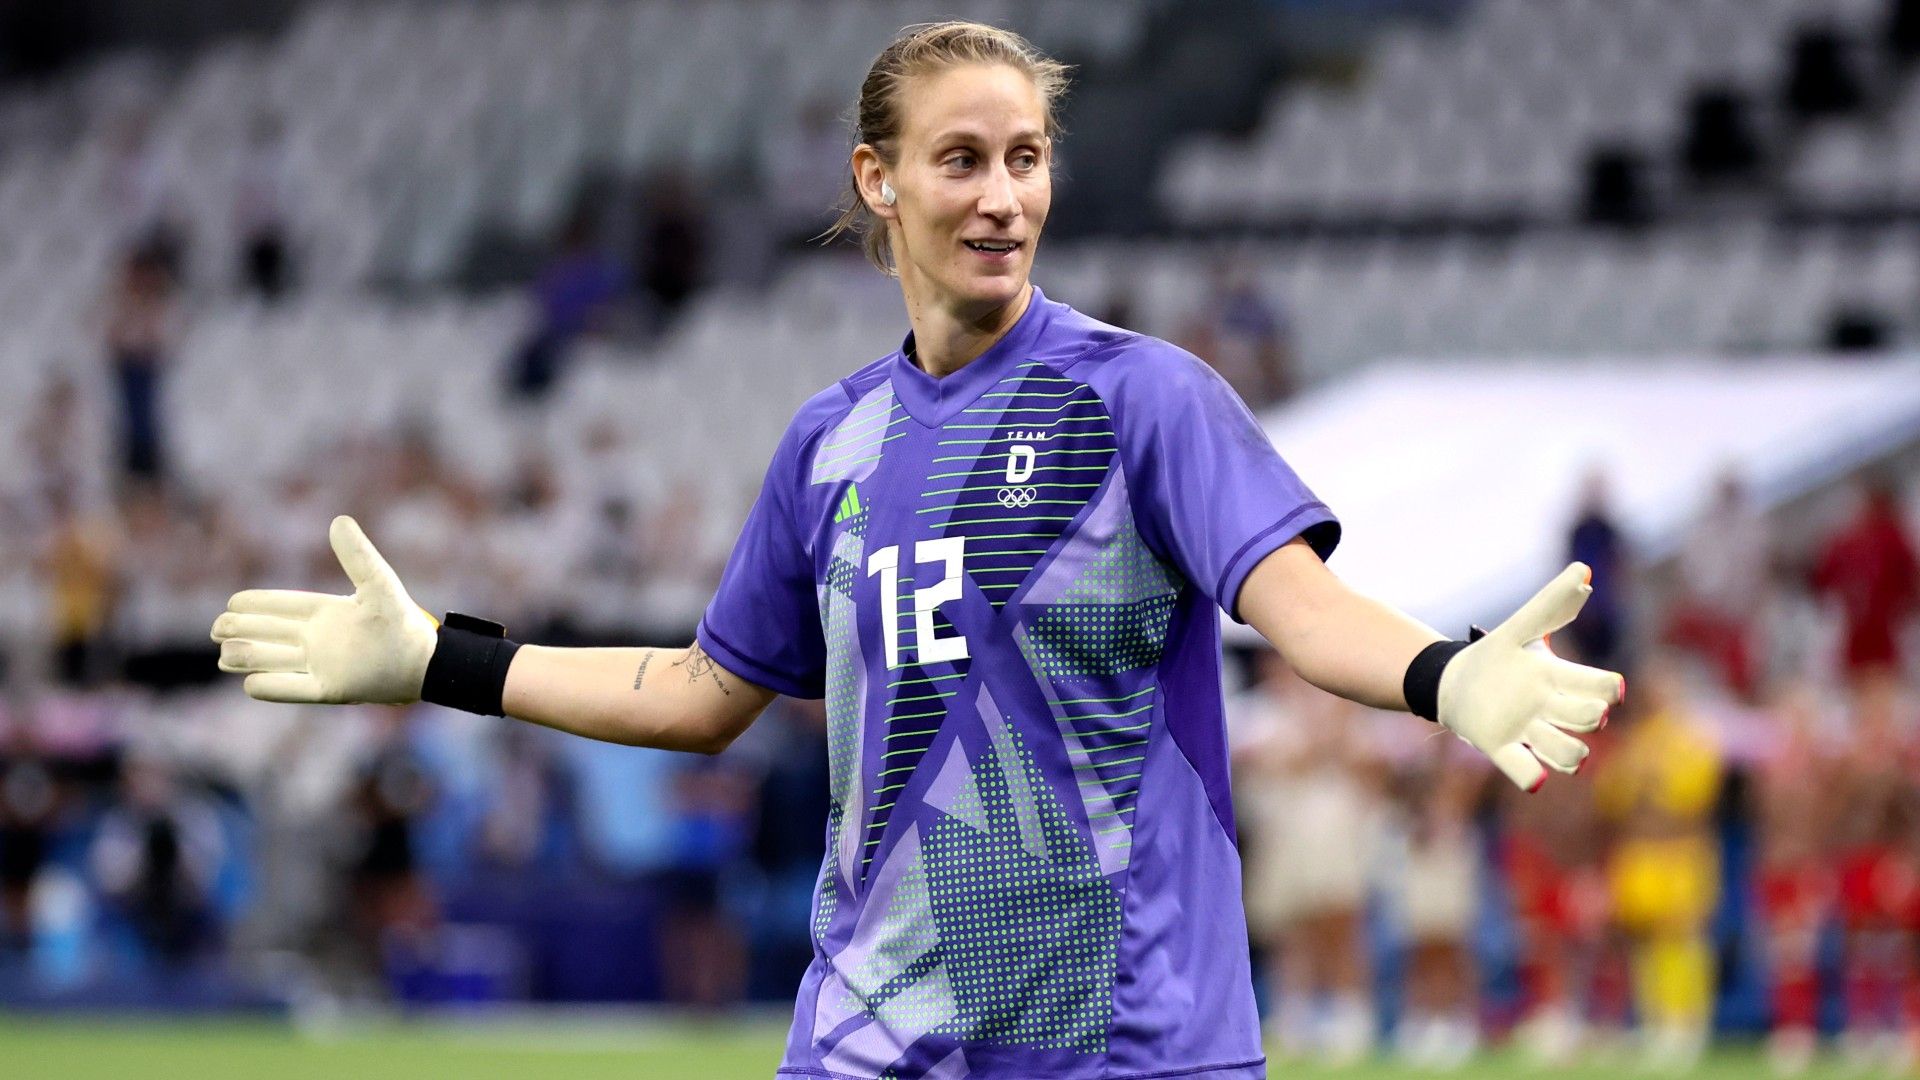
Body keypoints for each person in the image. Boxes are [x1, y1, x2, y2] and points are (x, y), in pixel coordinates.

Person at [210, 22, 1622, 1080]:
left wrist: (1445, 675)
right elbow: (703, 694)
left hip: (1124, 1037)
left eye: (1027, 159)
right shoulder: (826, 446)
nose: (1004, 195)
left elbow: (1303, 614)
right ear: (876, 180)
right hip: (873, 1034)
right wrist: (442, 662)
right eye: (963, 160)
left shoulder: (1144, 400)